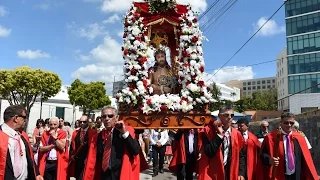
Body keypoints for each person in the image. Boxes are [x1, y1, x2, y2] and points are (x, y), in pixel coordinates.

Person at [82, 106, 142, 180]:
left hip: (119, 174)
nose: (107, 119)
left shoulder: (126, 131)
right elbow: (93, 159)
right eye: (104, 116)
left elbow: (135, 151)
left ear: (116, 118)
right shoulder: (98, 136)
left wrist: (124, 132)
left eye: (110, 116)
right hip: (103, 175)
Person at [259, 112, 318, 180]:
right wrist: (269, 160)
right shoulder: (271, 137)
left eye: (291, 123)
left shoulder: (299, 137)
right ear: (280, 123)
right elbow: (262, 154)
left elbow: (306, 157)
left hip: (296, 175)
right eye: (286, 123)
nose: (289, 125)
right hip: (279, 175)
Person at [198, 105, 246, 180]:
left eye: (232, 115)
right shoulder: (208, 131)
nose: (230, 117)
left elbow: (241, 155)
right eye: (226, 115)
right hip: (213, 172)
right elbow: (209, 152)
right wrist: (219, 135)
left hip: (230, 171)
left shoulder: (237, 134)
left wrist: (241, 173)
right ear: (219, 116)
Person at [0, 105, 43, 180]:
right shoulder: (1, 135)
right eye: (24, 117)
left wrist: (37, 173)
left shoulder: (23, 136)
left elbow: (30, 157)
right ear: (16, 118)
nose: (25, 121)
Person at [68, 115, 97, 179]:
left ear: (88, 122)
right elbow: (72, 146)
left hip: (87, 159)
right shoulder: (75, 132)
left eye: (84, 122)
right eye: (80, 122)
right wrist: (71, 155)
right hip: (76, 160)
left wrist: (89, 158)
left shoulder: (93, 133)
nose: (82, 123)